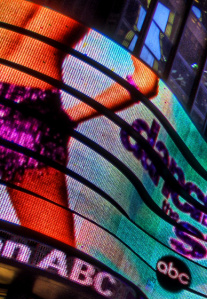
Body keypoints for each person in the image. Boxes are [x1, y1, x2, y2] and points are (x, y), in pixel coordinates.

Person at [0, 2, 158, 249]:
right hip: (34, 116)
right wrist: (70, 117)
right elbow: (146, 80)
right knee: (52, 257)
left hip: (32, 106)